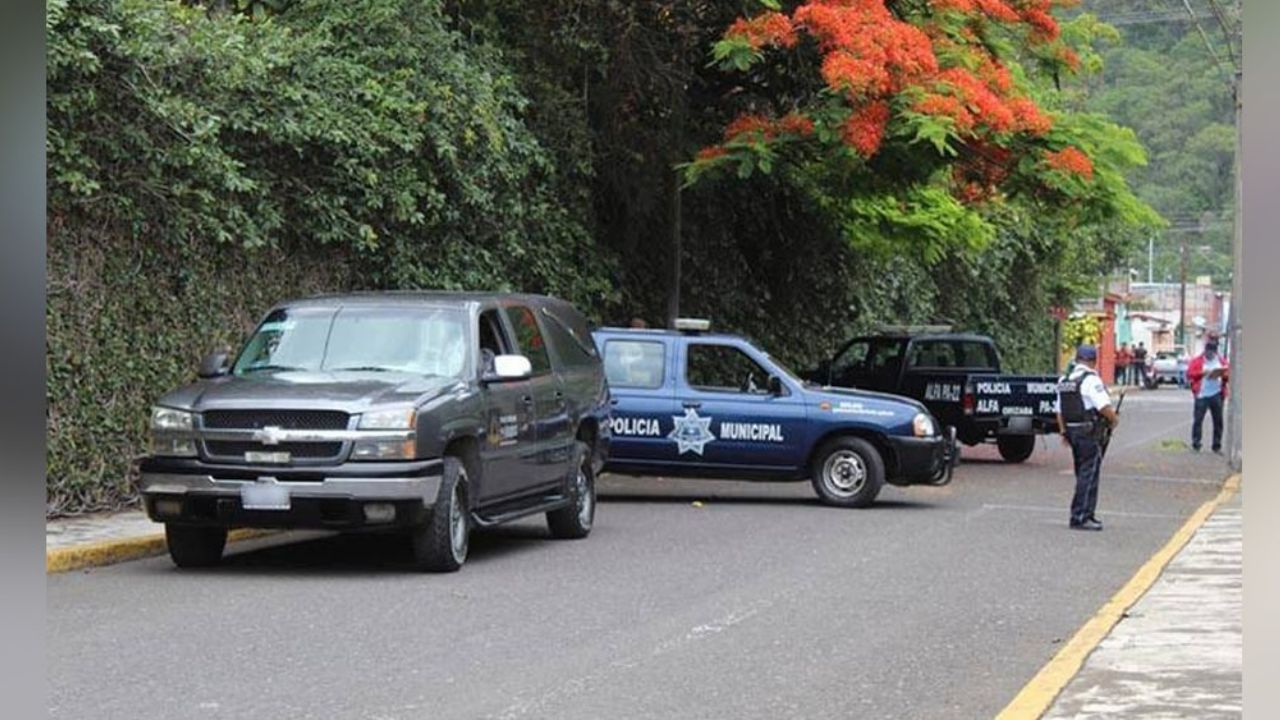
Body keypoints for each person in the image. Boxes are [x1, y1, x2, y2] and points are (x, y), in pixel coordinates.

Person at [1056, 344, 1120, 531]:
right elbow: (1103, 407)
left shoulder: (1064, 380)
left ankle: (1085, 514)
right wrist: (1114, 420)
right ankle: (1081, 516)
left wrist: (1064, 432)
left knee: (1082, 472)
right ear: (1093, 361)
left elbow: (1059, 411)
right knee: (1089, 474)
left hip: (1072, 431)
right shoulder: (1091, 380)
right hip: (1089, 433)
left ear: (1077, 359)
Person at [1186, 335, 1229, 454]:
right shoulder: (1197, 361)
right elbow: (1189, 374)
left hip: (1217, 393)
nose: (1210, 355)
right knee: (1198, 420)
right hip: (1202, 394)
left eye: (1212, 353)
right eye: (1208, 353)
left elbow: (1228, 373)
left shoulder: (1220, 361)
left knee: (1218, 421)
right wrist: (1202, 373)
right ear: (1205, 351)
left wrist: (1223, 375)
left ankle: (1216, 446)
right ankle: (1196, 444)